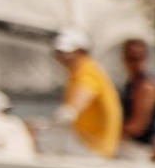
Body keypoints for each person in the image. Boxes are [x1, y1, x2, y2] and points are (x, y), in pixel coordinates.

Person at [47, 29, 121, 160]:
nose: (62, 58)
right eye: (60, 53)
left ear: (82, 52)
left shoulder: (87, 72)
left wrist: (63, 115)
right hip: (89, 143)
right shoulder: (80, 72)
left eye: (67, 53)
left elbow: (73, 108)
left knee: (41, 138)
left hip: (94, 148)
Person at [121, 37, 155, 155]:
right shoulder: (131, 83)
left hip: (143, 149)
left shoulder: (146, 86)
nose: (136, 62)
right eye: (131, 58)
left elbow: (137, 126)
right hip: (132, 145)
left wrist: (110, 130)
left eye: (139, 57)